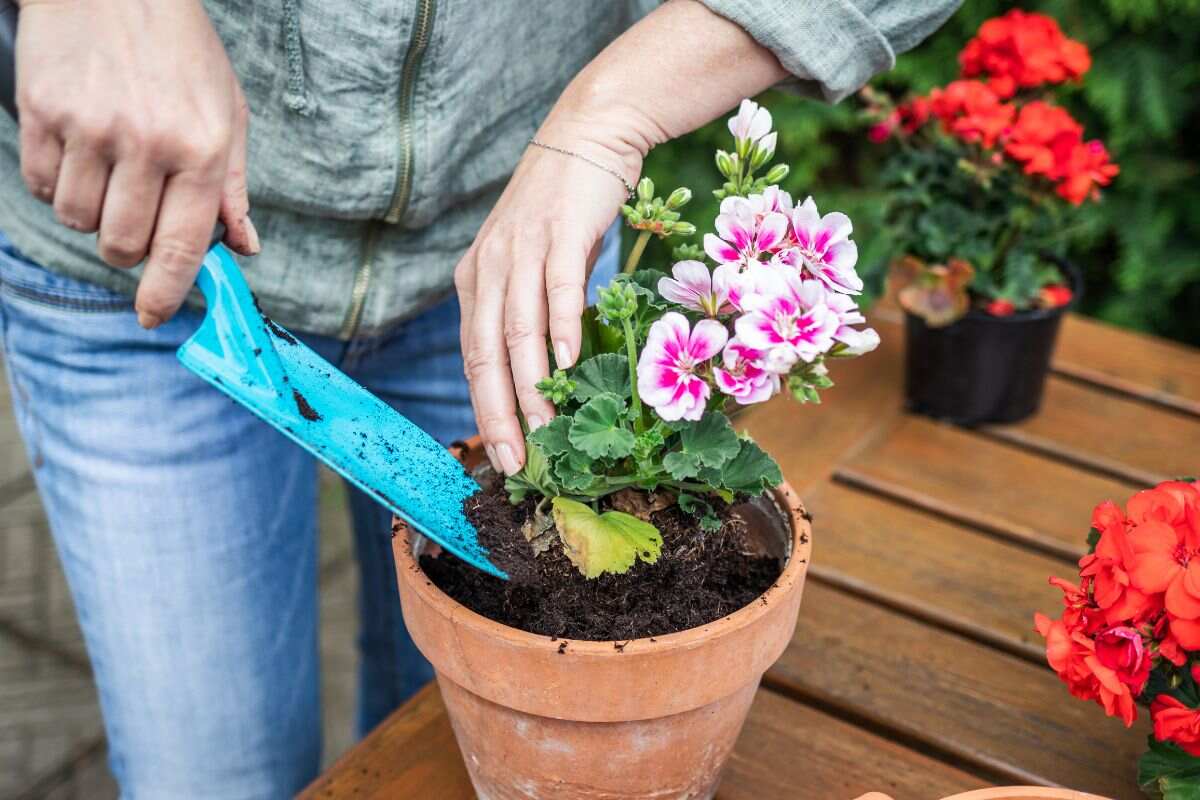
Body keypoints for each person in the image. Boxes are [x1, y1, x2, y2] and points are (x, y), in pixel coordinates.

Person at [0, 0, 959, 795]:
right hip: (144, 232)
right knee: (214, 774)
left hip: (516, 247)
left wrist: (608, 116)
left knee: (435, 747)